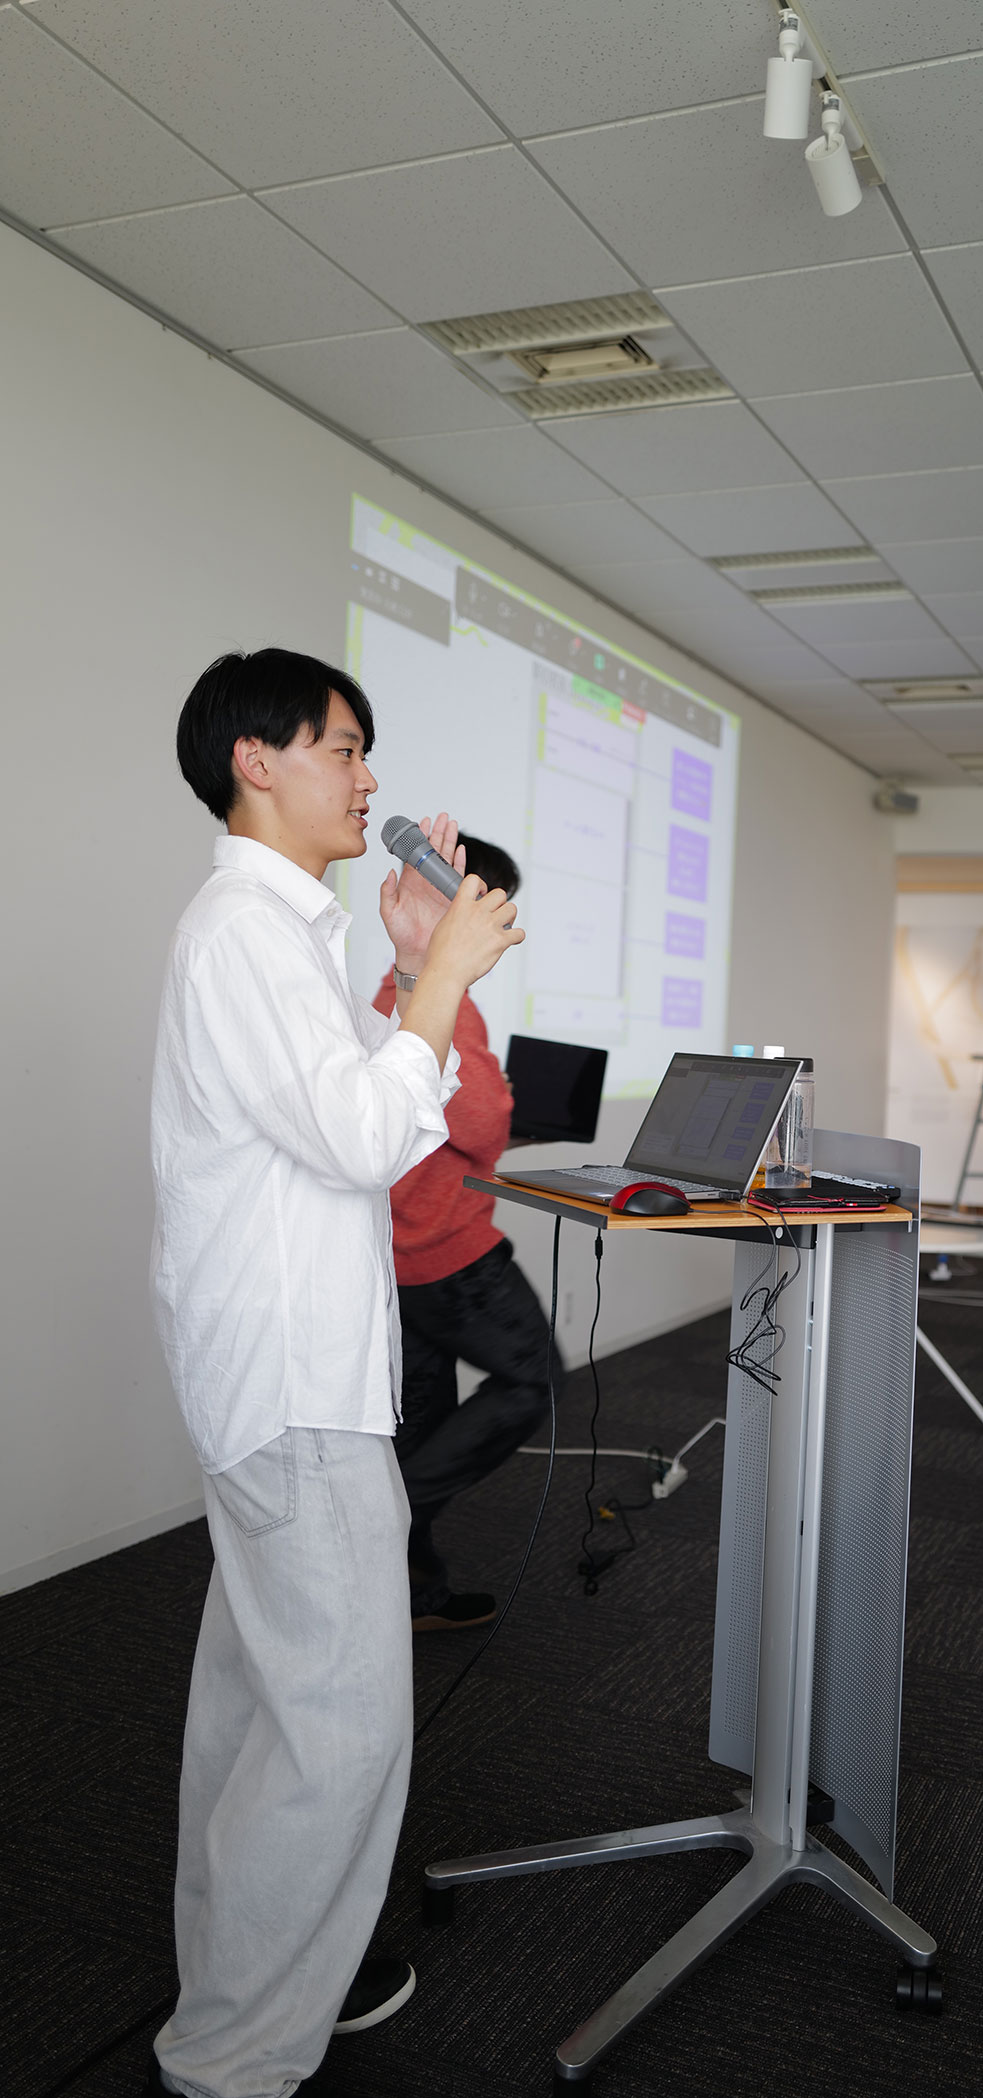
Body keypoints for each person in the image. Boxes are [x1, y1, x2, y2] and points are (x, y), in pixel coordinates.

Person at [148, 648, 523, 2098]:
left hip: (283, 1376)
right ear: (257, 760)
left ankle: (248, 1980)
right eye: (345, 748)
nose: (371, 780)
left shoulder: (276, 931)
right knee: (340, 1731)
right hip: (294, 1386)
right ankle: (234, 2051)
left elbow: (364, 1100)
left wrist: (414, 964)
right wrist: (445, 978)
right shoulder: (244, 932)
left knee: (262, 1709)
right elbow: (370, 1138)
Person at [370, 836, 561, 1634]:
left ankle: (415, 1598)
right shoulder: (444, 1001)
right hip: (446, 1255)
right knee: (534, 1382)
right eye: (495, 909)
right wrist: (495, 1104)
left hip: (396, 1258)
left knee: (420, 1420)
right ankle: (393, 1512)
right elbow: (480, 1121)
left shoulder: (391, 992)